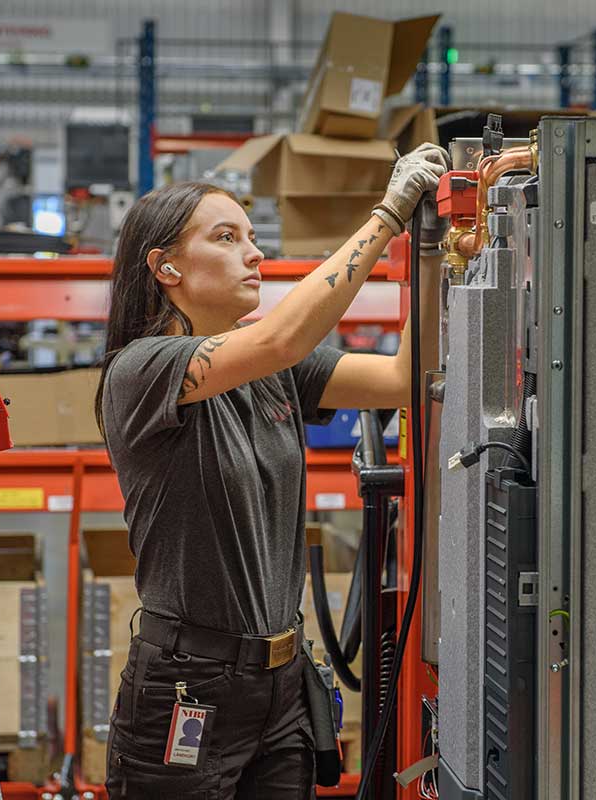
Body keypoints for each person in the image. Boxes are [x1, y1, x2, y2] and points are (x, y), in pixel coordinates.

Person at [96, 141, 450, 799]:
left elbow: (404, 379)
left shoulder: (275, 373)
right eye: (227, 238)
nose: (253, 254)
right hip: (188, 686)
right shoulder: (141, 371)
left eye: (252, 237)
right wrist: (388, 215)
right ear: (165, 265)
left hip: (282, 686)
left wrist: (427, 249)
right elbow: (283, 335)